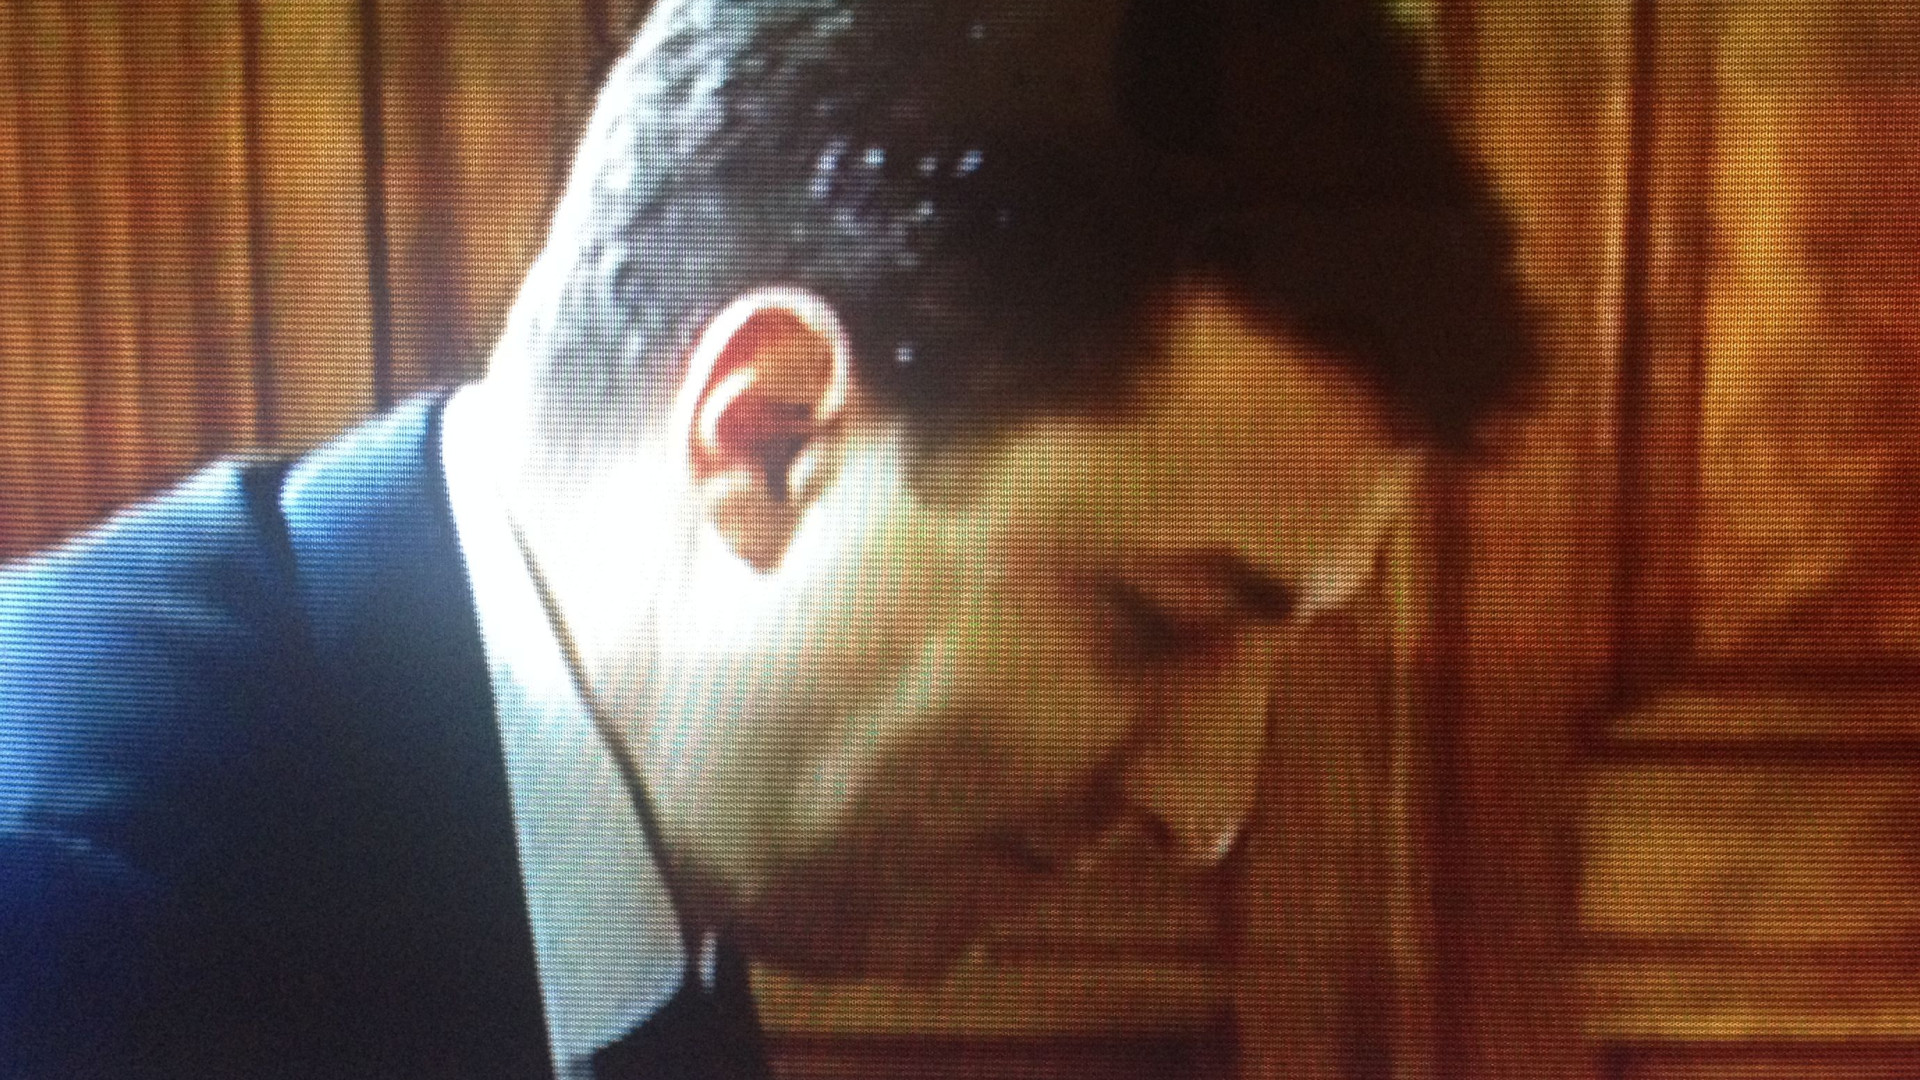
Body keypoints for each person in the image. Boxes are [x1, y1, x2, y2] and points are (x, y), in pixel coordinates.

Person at [0, 0, 1532, 1076]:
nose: (1206, 809)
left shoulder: (628, 812)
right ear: (770, 435)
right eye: (1151, 620)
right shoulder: (77, 922)